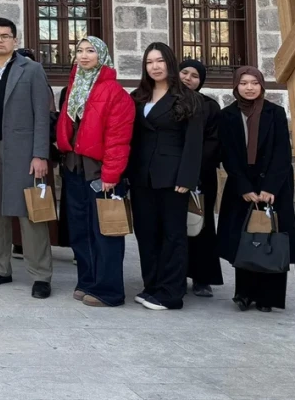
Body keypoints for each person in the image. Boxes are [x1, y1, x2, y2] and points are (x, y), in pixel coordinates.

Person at [0, 17, 54, 299]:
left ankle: (40, 275)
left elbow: (43, 115)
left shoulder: (32, 70)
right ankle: (0, 269)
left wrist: (40, 154)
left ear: (15, 40)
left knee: (30, 214)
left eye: (5, 36)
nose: (0, 40)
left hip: (24, 152)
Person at [55, 37, 133, 307]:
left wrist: (111, 175)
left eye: (90, 51)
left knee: (106, 233)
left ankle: (109, 290)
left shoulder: (114, 92)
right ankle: (87, 280)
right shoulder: (74, 87)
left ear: (102, 56)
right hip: (74, 168)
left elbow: (118, 138)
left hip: (100, 173)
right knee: (80, 230)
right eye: (80, 50)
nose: (84, 55)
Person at [128, 41, 204, 311]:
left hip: (173, 177)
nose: (155, 66)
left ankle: (171, 293)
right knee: (146, 233)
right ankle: (152, 286)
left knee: (173, 235)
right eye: (149, 62)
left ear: (170, 63)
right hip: (141, 176)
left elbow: (194, 143)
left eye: (159, 61)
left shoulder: (187, 98)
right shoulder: (138, 97)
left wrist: (187, 178)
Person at [218, 66, 295, 312]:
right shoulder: (228, 115)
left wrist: (270, 187)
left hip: (273, 186)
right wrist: (243, 186)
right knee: (245, 239)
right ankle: (244, 293)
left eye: (254, 82)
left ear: (262, 85)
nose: (249, 87)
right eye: (244, 83)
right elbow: (228, 154)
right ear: (236, 86)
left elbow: (282, 153)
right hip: (242, 186)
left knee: (271, 238)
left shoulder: (274, 113)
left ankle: (269, 297)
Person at [178, 58, 225, 297]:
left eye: (194, 75)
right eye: (184, 72)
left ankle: (201, 277)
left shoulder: (209, 106)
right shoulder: (167, 102)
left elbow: (213, 143)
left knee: (201, 225)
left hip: (200, 175)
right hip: (171, 174)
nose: (188, 78)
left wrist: (192, 170)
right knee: (175, 226)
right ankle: (175, 274)